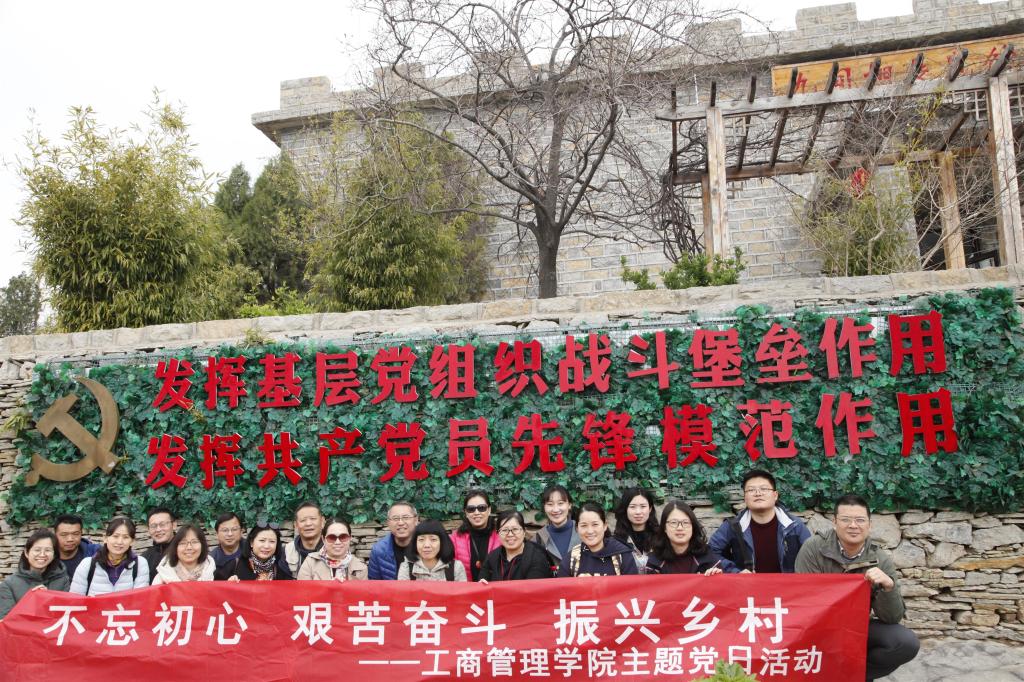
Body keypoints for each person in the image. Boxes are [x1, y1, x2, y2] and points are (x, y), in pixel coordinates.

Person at [796, 494, 920, 682]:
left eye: (860, 520)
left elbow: (892, 618)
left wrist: (888, 587)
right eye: (846, 519)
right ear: (835, 522)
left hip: (859, 627)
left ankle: (853, 675)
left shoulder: (880, 559)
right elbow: (803, 598)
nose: (853, 525)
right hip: (818, 627)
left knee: (905, 643)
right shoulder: (813, 548)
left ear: (869, 525)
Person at [709, 468, 810, 573]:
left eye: (764, 489)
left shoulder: (794, 526)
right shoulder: (733, 526)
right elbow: (710, 553)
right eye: (751, 490)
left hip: (788, 583)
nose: (758, 493)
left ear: (775, 495)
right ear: (745, 497)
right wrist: (735, 572)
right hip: (747, 583)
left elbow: (811, 555)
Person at [70, 517, 150, 595]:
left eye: (125, 537)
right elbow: (75, 599)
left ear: (132, 541)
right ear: (105, 538)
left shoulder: (140, 564)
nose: (119, 542)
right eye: (115, 536)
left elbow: (140, 598)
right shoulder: (87, 564)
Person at [0, 529, 70, 618]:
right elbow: (6, 620)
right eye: (37, 550)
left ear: (54, 555)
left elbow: (66, 614)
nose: (42, 554)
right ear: (26, 552)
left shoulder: (63, 580)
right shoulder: (9, 584)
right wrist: (32, 600)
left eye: (48, 550)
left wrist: (48, 599)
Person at [557, 503, 638, 577]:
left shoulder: (622, 555)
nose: (590, 531)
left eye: (595, 524)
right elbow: (562, 587)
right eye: (584, 525)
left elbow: (633, 586)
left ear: (605, 526)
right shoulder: (571, 560)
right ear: (577, 529)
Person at [645, 500, 723, 575]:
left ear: (693, 526)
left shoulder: (706, 555)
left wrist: (716, 575)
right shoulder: (654, 560)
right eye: (673, 522)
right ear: (664, 528)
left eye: (685, 522)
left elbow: (720, 582)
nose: (680, 528)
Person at [479, 510, 553, 582]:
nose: (510, 534)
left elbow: (533, 588)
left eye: (515, 529)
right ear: (498, 534)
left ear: (524, 532)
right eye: (504, 530)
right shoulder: (492, 557)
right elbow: (482, 580)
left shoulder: (537, 557)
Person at [450, 489, 500, 581]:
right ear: (466, 513)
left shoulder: (500, 536)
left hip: (494, 589)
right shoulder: (455, 539)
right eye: (471, 509)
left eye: (482, 508)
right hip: (465, 588)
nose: (476, 513)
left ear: (489, 510)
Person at [298, 518, 368, 581]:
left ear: (350, 538)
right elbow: (302, 590)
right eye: (331, 537)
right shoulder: (310, 563)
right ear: (323, 539)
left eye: (343, 537)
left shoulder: (360, 568)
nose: (338, 542)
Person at [217, 524, 294, 581]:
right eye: (262, 540)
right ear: (251, 542)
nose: (266, 546)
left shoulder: (281, 567)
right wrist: (228, 584)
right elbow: (215, 590)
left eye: (272, 541)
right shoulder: (234, 565)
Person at [397, 520, 467, 582]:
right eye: (421, 540)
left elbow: (461, 592)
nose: (427, 545)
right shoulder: (406, 567)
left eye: (433, 539)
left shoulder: (456, 567)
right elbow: (402, 592)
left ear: (442, 542)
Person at [368, 501, 419, 580]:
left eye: (406, 517)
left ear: (416, 520)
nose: (401, 523)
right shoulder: (379, 550)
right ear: (388, 522)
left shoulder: (427, 547)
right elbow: (373, 583)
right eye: (395, 518)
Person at [612, 487, 658, 573]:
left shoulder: (661, 538)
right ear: (625, 509)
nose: (638, 512)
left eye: (643, 506)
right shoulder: (616, 541)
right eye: (632, 507)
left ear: (650, 509)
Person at [533, 484, 580, 564]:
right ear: (544, 507)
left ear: (569, 505)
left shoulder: (583, 531)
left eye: (560, 503)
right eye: (550, 504)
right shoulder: (539, 538)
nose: (555, 510)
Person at [282, 501, 325, 576]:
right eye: (303, 520)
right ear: (296, 525)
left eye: (313, 518)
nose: (308, 524)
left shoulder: (334, 548)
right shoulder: (287, 551)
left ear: (322, 522)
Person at [53, 514, 98, 579]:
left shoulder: (95, 552)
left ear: (81, 533)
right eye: (64, 534)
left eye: (75, 534)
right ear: (55, 535)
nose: (70, 539)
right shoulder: (45, 557)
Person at [142, 507, 178, 584]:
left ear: (174, 525)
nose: (158, 529)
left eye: (162, 524)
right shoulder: (145, 557)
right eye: (153, 526)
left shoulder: (185, 551)